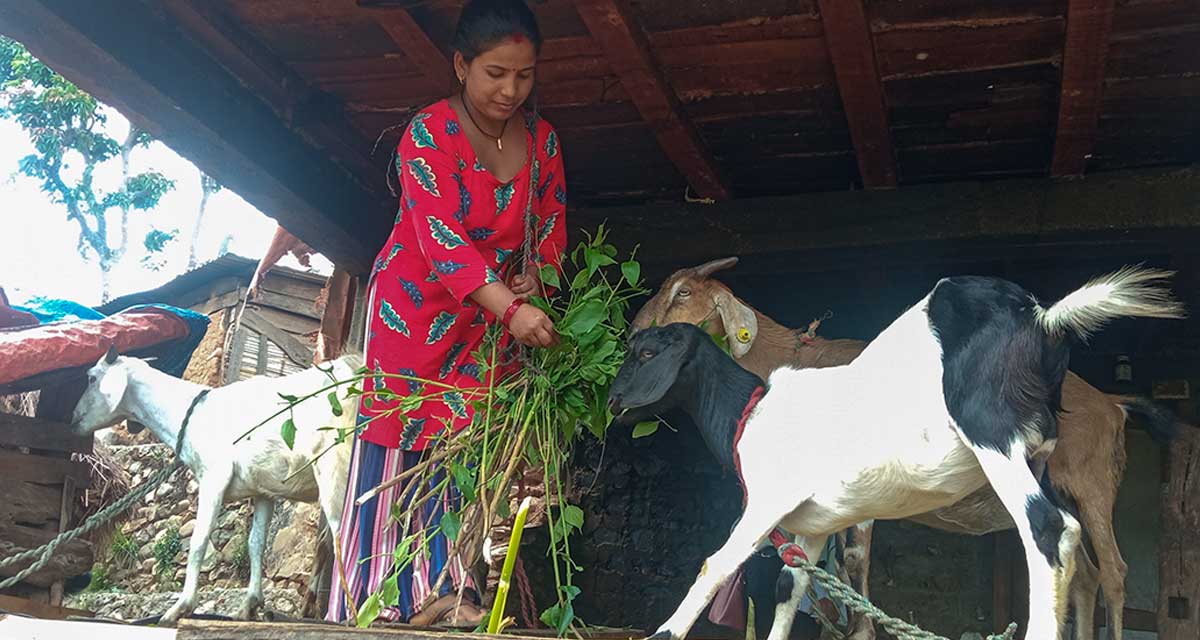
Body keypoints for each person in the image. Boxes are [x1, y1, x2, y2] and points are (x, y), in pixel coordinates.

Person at [327, 0, 566, 626]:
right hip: (414, 308)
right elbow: (440, 238)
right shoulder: (428, 133)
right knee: (400, 434)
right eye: (495, 73)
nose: (511, 89)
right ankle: (377, 600)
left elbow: (551, 231)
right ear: (461, 66)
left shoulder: (543, 142)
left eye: (524, 74)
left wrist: (532, 282)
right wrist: (510, 309)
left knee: (467, 443)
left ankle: (451, 587)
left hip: (491, 320)